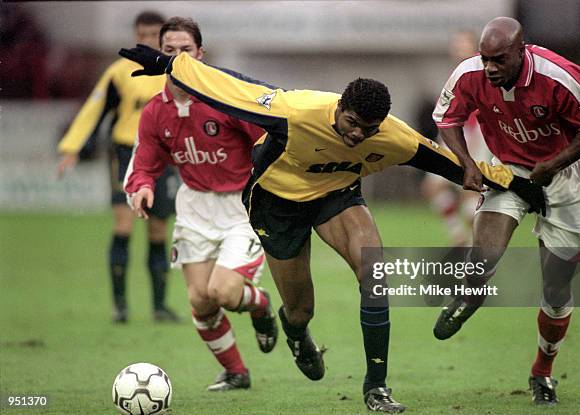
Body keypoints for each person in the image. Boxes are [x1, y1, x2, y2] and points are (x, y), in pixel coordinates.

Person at [118, 43, 545, 413]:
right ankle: (296, 331)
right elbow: (233, 88)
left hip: (336, 197)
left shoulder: (392, 137)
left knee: (375, 275)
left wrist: (518, 186)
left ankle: (375, 387)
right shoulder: (295, 111)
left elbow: (456, 166)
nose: (358, 135)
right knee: (301, 308)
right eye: (352, 123)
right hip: (277, 205)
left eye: (368, 129)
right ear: (339, 108)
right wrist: (170, 64)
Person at [431, 17, 580, 405]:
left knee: (556, 289)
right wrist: (467, 163)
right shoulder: (469, 74)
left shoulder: (560, 76)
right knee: (484, 256)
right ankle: (471, 295)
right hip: (508, 170)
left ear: (521, 50)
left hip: (564, 178)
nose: (490, 68)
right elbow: (446, 119)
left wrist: (556, 162)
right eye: (485, 59)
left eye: (499, 60)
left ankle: (541, 372)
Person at [123, 16, 278, 392]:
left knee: (223, 292)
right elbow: (143, 163)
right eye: (169, 51)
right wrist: (142, 187)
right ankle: (236, 372)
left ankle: (261, 306)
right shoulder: (154, 111)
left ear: (200, 54)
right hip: (194, 207)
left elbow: (269, 142)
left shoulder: (226, 98)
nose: (177, 58)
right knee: (200, 300)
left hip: (241, 206)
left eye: (185, 50)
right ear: (160, 55)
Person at [57, 11, 180, 323]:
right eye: (143, 34)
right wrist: (72, 147)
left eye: (155, 35)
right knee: (123, 225)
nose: (149, 40)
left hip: (165, 157)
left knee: (157, 229)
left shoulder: (177, 71)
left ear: (164, 37)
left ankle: (159, 307)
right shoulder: (118, 72)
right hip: (126, 154)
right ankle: (120, 306)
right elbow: (95, 109)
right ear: (136, 35)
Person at [420, 30, 492, 246]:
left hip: (473, 132)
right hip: (457, 131)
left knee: (470, 190)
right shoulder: (460, 71)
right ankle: (460, 237)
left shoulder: (480, 70)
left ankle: (472, 246)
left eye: (463, 44)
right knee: (434, 187)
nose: (458, 48)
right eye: (456, 44)